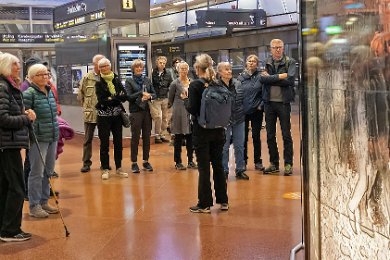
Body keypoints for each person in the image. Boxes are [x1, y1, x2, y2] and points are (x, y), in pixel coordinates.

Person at [184, 53, 228, 213]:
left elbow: (193, 109)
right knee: (218, 165)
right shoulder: (218, 82)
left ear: (197, 68)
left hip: (201, 131)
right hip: (219, 131)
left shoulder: (195, 85)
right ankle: (223, 201)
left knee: (203, 167)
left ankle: (205, 203)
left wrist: (185, 101)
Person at [0, 53, 35, 241]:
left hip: (8, 143)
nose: (18, 67)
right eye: (15, 64)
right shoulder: (3, 87)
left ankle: (5, 227)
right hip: (7, 144)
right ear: (6, 66)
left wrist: (22, 113)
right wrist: (25, 117)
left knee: (6, 186)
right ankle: (10, 230)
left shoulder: (9, 86)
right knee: (16, 187)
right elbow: (3, 118)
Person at [239, 55, 288, 174]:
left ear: (257, 64)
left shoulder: (261, 76)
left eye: (254, 61)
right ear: (246, 63)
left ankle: (257, 161)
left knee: (256, 137)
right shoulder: (241, 77)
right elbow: (238, 92)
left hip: (257, 111)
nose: (251, 63)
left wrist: (260, 105)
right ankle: (243, 161)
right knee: (243, 138)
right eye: (249, 61)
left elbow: (265, 92)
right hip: (243, 112)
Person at [23, 63, 59, 218]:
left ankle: (44, 201)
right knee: (36, 172)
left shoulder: (49, 91)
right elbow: (25, 116)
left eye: (47, 74)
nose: (45, 77)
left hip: (52, 136)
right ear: (32, 78)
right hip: (38, 138)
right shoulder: (29, 93)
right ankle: (34, 205)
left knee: (48, 171)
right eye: (41, 74)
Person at [262, 39, 296, 176]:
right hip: (268, 103)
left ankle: (288, 164)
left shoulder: (290, 62)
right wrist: (280, 77)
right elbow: (262, 80)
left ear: (283, 48)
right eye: (274, 47)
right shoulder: (266, 62)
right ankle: (274, 163)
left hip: (283, 103)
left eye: (279, 47)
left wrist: (271, 78)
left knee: (286, 135)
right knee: (270, 135)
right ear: (270, 49)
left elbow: (290, 80)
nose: (277, 49)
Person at [94, 58, 128, 180]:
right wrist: (115, 98)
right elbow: (101, 100)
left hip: (117, 116)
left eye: (106, 66)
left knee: (118, 142)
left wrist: (111, 98)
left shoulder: (117, 78)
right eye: (101, 67)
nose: (104, 68)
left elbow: (124, 96)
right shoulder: (98, 81)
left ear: (110, 66)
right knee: (104, 143)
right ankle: (105, 168)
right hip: (103, 117)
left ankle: (119, 167)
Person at [125, 59, 156, 173]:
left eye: (140, 67)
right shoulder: (129, 81)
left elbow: (154, 93)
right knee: (135, 137)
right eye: (137, 67)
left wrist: (150, 96)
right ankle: (134, 162)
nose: (139, 69)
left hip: (147, 112)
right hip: (135, 112)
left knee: (147, 137)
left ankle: (146, 161)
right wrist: (141, 93)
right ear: (133, 69)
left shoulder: (147, 80)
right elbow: (128, 97)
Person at [217, 62, 247, 179]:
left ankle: (240, 170)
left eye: (230, 69)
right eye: (226, 69)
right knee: (224, 147)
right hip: (223, 121)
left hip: (238, 119)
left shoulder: (238, 84)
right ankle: (224, 170)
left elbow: (242, 100)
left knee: (239, 146)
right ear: (220, 72)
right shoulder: (215, 86)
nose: (229, 71)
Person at [78, 54, 105, 173]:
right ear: (94, 64)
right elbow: (81, 96)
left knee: (104, 139)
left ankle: (104, 163)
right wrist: (87, 108)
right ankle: (86, 163)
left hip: (104, 114)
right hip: (90, 114)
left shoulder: (108, 77)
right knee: (87, 139)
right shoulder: (87, 78)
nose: (102, 66)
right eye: (99, 64)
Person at [168, 61, 197, 170]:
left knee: (190, 137)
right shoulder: (174, 83)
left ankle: (190, 160)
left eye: (185, 68)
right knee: (178, 137)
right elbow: (170, 99)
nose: (184, 71)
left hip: (190, 112)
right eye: (182, 69)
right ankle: (178, 162)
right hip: (178, 113)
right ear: (178, 70)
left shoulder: (192, 82)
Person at [150, 56, 172, 143]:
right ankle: (157, 136)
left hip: (165, 98)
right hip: (156, 98)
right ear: (157, 63)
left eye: (164, 63)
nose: (162, 64)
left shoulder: (168, 74)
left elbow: (171, 85)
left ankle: (162, 134)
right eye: (160, 63)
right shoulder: (152, 73)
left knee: (165, 118)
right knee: (158, 117)